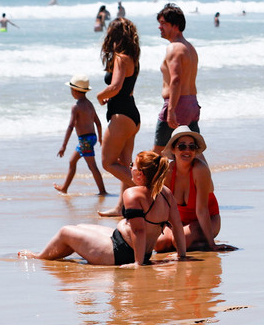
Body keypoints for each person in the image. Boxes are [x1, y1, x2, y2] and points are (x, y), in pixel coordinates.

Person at [19, 151, 189, 266]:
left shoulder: (132, 194)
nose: (130, 168)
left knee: (65, 231)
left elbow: (139, 231)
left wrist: (138, 264)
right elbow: (177, 226)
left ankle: (39, 257)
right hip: (131, 247)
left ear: (140, 174)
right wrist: (182, 255)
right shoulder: (165, 192)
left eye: (132, 165)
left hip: (120, 254)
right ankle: (55, 254)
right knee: (79, 227)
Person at [97, 18, 141, 216]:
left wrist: (100, 96)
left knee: (108, 162)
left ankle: (151, 190)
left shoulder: (120, 57)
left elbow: (115, 87)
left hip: (121, 116)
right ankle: (120, 207)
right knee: (124, 164)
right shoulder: (132, 57)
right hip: (131, 115)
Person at [155, 127, 223, 252]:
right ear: (174, 149)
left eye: (192, 147)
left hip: (206, 220)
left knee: (180, 241)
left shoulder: (200, 170)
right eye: (182, 146)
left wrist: (211, 244)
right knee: (159, 244)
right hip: (179, 221)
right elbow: (164, 208)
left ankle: (204, 246)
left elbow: (202, 210)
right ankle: (189, 244)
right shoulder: (168, 172)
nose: (187, 150)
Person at [153, 4, 201, 151]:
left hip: (177, 105)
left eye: (163, 24)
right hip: (192, 104)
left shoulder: (174, 48)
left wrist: (171, 110)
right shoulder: (190, 48)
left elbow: (176, 80)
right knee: (191, 153)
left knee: (158, 154)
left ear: (175, 26)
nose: (160, 27)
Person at [55, 74, 107, 195]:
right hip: (91, 138)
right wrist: (100, 138)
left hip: (85, 140)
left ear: (74, 91)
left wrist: (64, 145)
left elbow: (70, 126)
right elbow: (98, 123)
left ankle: (103, 191)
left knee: (92, 166)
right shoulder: (89, 104)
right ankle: (64, 188)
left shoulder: (76, 107)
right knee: (72, 161)